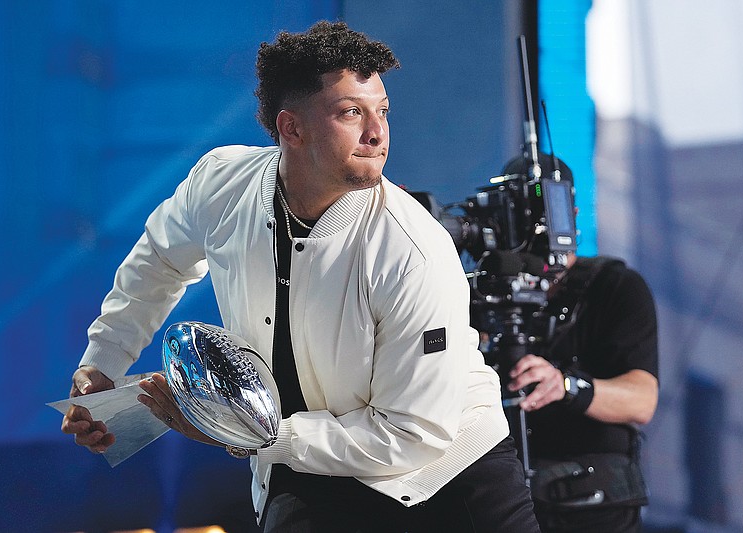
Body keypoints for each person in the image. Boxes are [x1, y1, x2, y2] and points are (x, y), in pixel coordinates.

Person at [61, 21, 541, 532]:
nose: (377, 133)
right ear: (292, 128)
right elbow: (158, 259)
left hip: (446, 477)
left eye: (382, 111)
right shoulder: (222, 183)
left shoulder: (412, 249)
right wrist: (103, 363)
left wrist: (245, 435)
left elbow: (413, 433)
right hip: (302, 456)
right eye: (351, 112)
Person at [501, 154, 659, 533]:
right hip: (509, 505)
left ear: (569, 212)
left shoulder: (615, 287)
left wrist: (567, 385)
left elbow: (642, 400)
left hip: (592, 510)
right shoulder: (488, 298)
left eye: (543, 214)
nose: (534, 230)